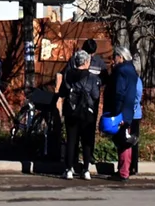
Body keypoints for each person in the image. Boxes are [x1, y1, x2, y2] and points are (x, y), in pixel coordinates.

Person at [59, 49, 101, 180]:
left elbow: (63, 92)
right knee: (86, 141)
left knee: (72, 140)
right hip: (87, 113)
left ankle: (69, 169)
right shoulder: (93, 78)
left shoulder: (68, 75)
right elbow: (96, 95)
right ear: (87, 61)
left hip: (71, 110)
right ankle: (86, 170)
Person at [108, 47, 143, 180]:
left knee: (125, 142)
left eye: (115, 57)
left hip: (128, 113)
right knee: (126, 141)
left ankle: (125, 171)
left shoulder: (124, 73)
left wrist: (119, 112)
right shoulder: (130, 73)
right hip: (129, 112)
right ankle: (126, 169)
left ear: (121, 57)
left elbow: (122, 94)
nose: (113, 60)